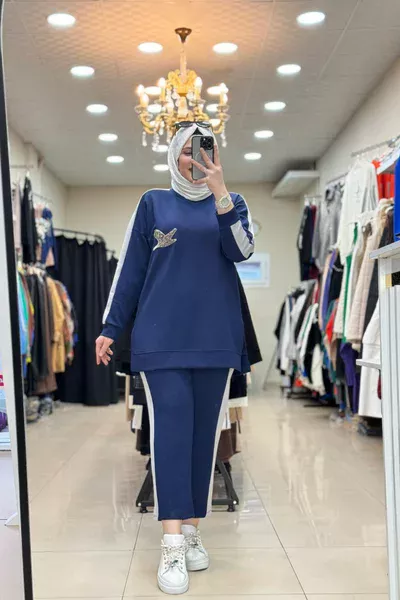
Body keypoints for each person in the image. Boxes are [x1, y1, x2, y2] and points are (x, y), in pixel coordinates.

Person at [95, 121, 254, 595]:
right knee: (170, 436)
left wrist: (220, 194)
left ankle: (191, 531)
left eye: (206, 150)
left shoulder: (233, 203)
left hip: (215, 340)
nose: (197, 159)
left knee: (204, 440)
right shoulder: (153, 203)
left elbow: (242, 251)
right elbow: (130, 270)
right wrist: (110, 326)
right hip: (160, 340)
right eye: (188, 151)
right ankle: (170, 544)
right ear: (174, 156)